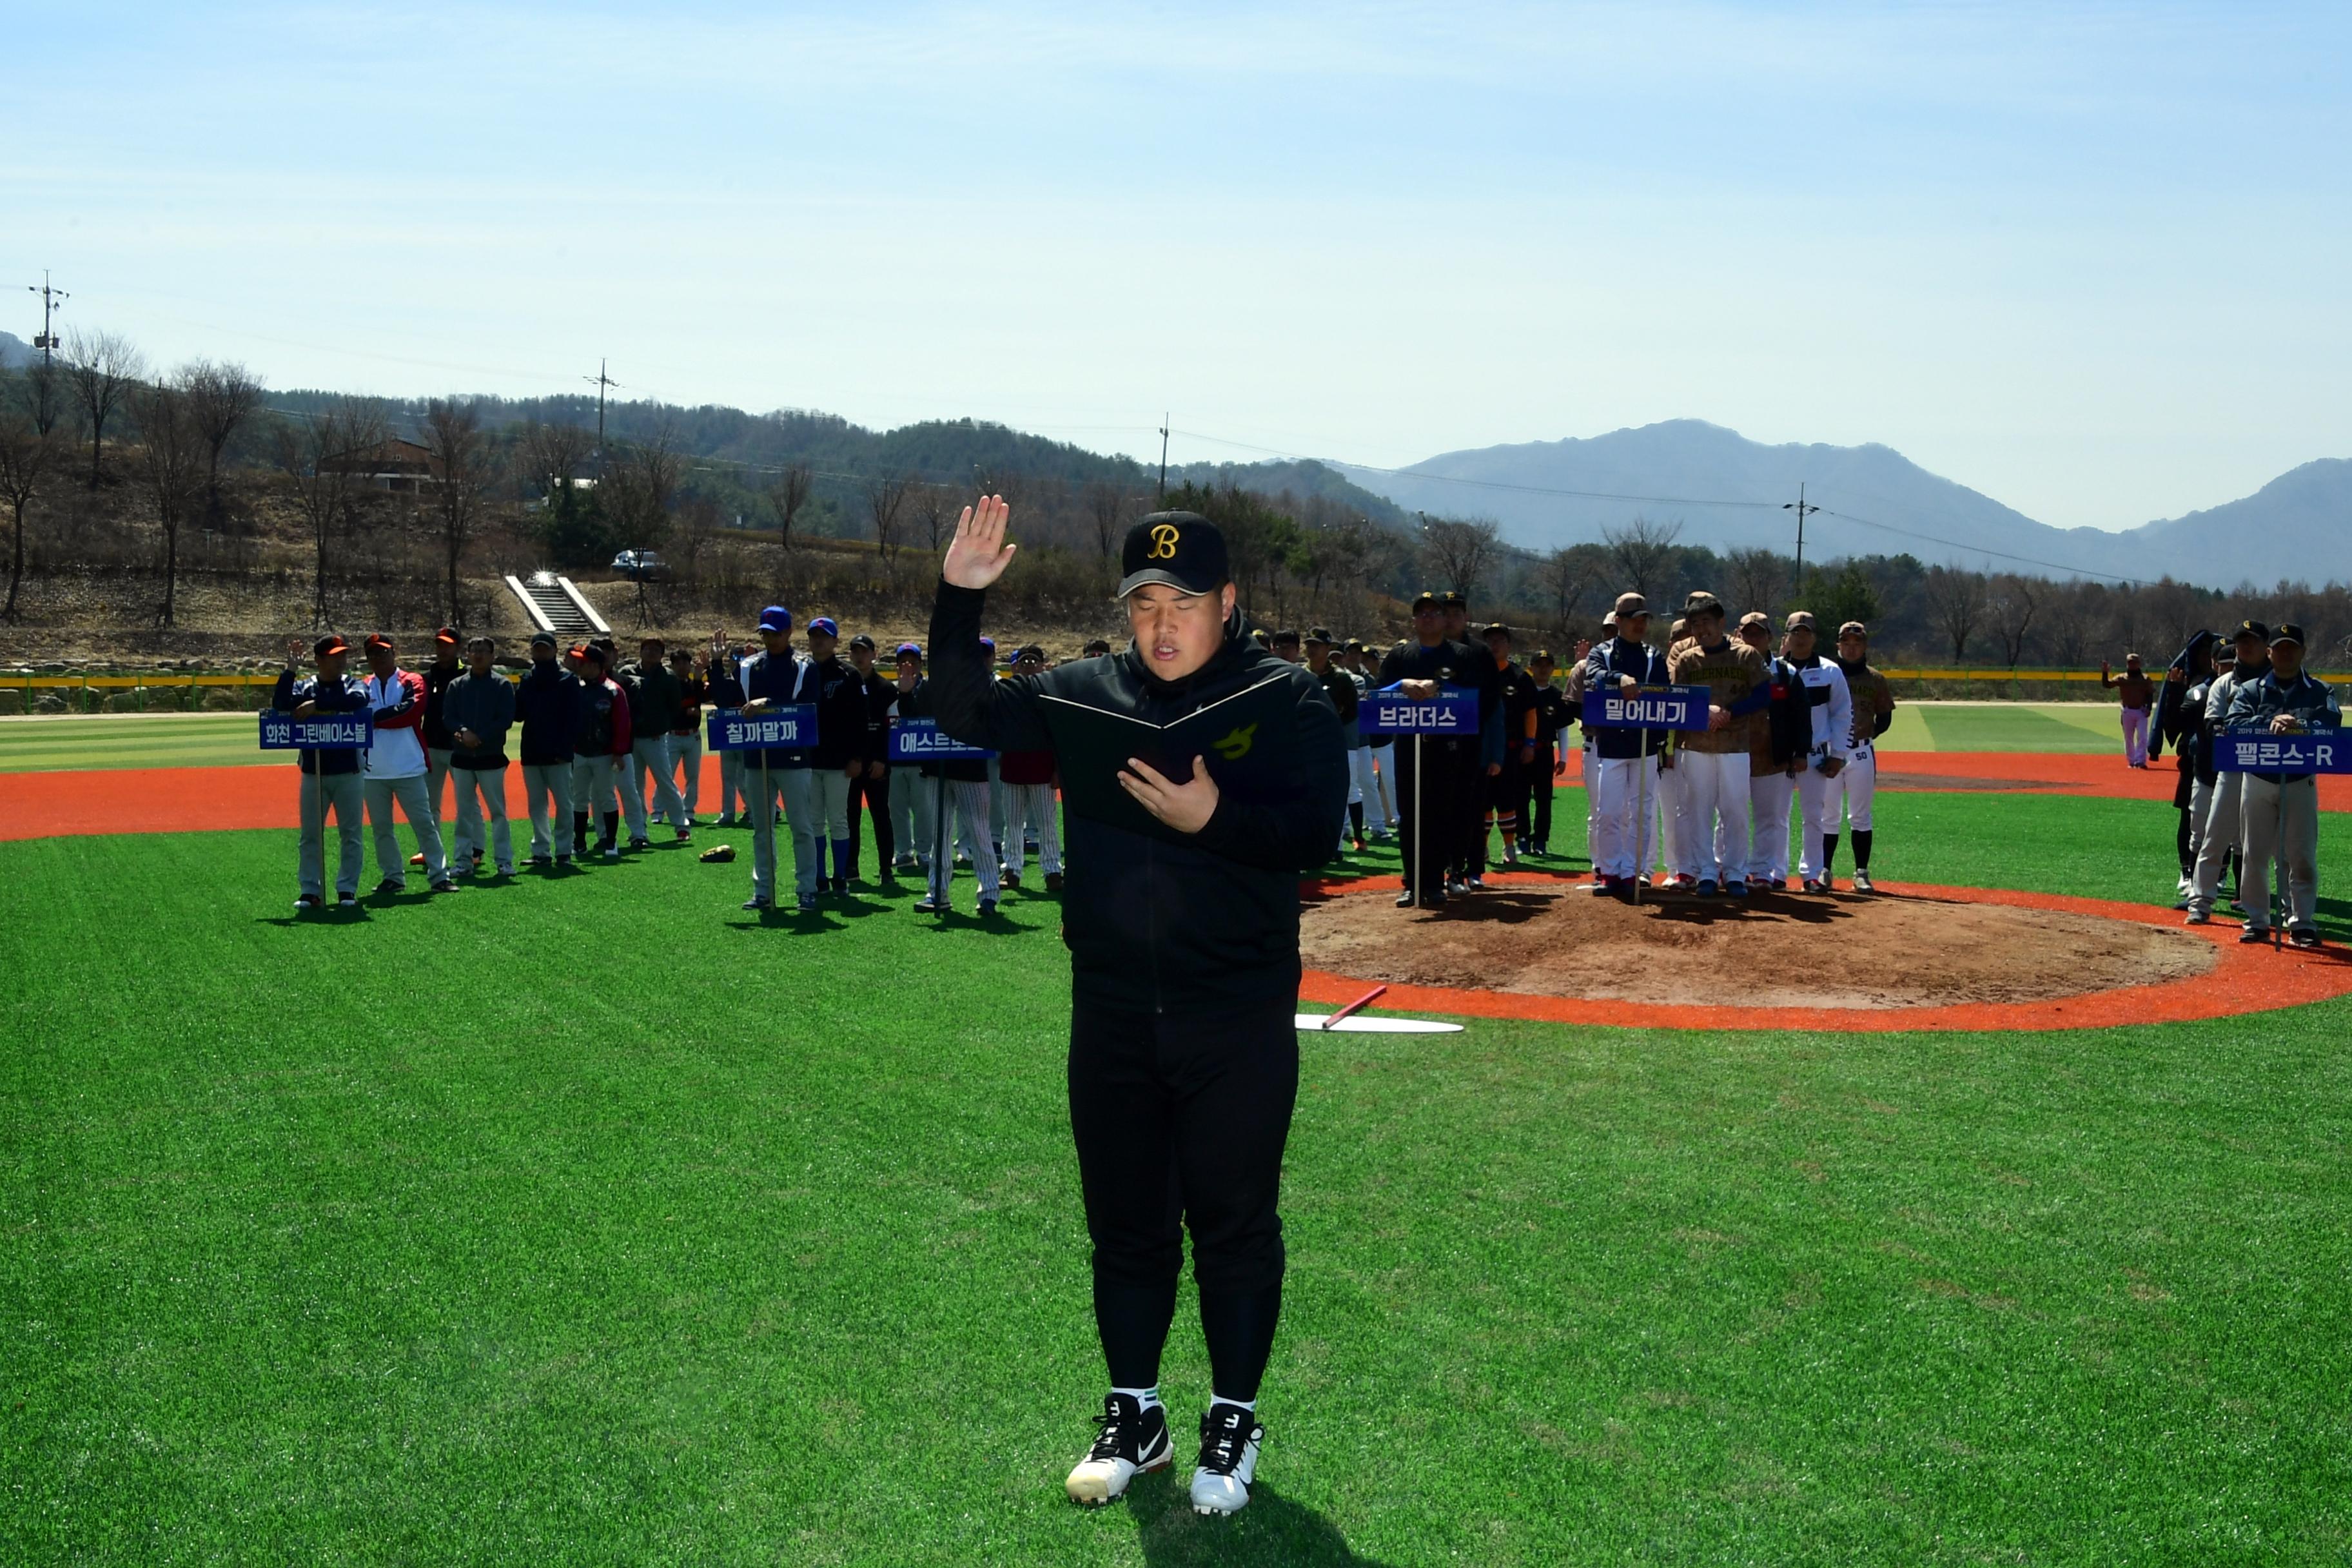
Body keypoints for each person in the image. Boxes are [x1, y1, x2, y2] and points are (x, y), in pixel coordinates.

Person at [930, 499, 1344, 1518]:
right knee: (1125, 1228)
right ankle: (1136, 1413)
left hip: (1236, 1013)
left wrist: (1218, 818)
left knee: (1235, 1224)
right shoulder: (1085, 694)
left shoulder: (1285, 698)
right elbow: (965, 712)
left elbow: (1317, 833)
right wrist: (960, 597)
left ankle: (1233, 1416)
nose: (1163, 624)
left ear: (1229, 602)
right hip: (1112, 1010)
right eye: (1145, 602)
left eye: (1186, 603)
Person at [2225, 623, 2340, 948]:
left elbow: (2332, 723)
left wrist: (2299, 725)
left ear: (2303, 652)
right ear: (2270, 652)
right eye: (2280, 647)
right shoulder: (2251, 690)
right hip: (2258, 780)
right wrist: (2268, 722)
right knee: (2254, 854)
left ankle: (2302, 923)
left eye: (2293, 647)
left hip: (2301, 780)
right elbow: (2232, 723)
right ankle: (2257, 921)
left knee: (2301, 855)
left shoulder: (2320, 691)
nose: (2286, 653)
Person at [1664, 593, 1768, 895]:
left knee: (1735, 809)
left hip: (1735, 745)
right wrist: (1704, 711)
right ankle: (1706, 871)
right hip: (1696, 746)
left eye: (1707, 622)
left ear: (1722, 622)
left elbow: (1763, 694)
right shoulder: (1687, 659)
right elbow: (1676, 698)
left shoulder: (1746, 655)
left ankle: (1735, 872)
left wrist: (1730, 712)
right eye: (1695, 624)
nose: (1702, 629)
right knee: (1698, 810)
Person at [1378, 591, 1478, 908]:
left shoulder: (1461, 655)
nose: (1428, 618)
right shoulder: (1399, 656)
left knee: (1440, 813)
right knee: (1410, 815)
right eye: (1422, 614)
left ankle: (1435, 882)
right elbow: (1380, 692)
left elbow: (1475, 694)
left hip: (1446, 747)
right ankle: (1412, 883)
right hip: (1408, 744)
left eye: (1434, 613)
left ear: (1443, 618)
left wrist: (1441, 687)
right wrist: (1402, 685)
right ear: (1414, 620)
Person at [1579, 594, 1672, 896]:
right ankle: (1610, 872)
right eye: (1633, 618)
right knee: (1608, 812)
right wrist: (1618, 678)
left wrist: (1661, 743)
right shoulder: (1602, 653)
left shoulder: (1652, 655)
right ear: (1618, 621)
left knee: (1642, 814)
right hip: (1611, 746)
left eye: (1644, 618)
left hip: (1644, 746)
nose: (1640, 624)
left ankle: (1633, 872)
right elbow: (1592, 676)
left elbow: (1665, 693)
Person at [896, 644, 999, 915]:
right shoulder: (930, 687)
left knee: (979, 833)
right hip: (935, 769)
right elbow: (912, 719)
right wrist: (905, 693)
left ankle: (989, 893)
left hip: (971, 771)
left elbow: (989, 722)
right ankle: (937, 893)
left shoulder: (979, 685)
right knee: (938, 835)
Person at [738, 605, 823, 913]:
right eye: (765, 633)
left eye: (775, 633)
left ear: (788, 633)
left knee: (801, 826)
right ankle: (763, 889)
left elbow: (810, 704)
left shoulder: (804, 666)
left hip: (795, 757)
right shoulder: (749, 666)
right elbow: (727, 703)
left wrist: (768, 703)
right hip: (756, 757)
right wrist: (718, 665)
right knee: (762, 828)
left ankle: (807, 889)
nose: (769, 639)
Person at [275, 632, 369, 910]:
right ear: (318, 660)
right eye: (334, 655)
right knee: (311, 835)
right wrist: (290, 670)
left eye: (343, 655)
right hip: (313, 772)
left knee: (351, 833)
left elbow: (359, 700)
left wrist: (318, 706)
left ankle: (347, 889)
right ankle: (310, 890)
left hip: (349, 771)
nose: (341, 660)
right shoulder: (306, 687)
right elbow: (280, 703)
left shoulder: (352, 683)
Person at [355, 633, 453, 894]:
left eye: (383, 652)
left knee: (424, 824)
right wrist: (379, 717)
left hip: (408, 766)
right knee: (382, 829)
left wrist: (373, 718)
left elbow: (411, 712)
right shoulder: (363, 685)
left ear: (393, 653)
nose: (378, 658)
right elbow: (356, 716)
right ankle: (393, 877)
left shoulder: (411, 680)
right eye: (373, 654)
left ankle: (439, 875)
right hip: (373, 770)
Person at [2186, 621, 2270, 925]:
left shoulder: (2278, 681)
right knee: (2215, 837)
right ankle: (2200, 902)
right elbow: (2213, 726)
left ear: (2265, 645)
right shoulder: (2223, 684)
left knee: (2258, 846)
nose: (2244, 647)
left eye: (2252, 641)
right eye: (2240, 641)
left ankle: (2259, 907)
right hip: (2233, 769)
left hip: (2268, 773)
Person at [1780, 612, 1855, 892]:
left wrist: (1838, 754)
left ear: (1815, 636)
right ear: (1786, 636)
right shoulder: (1775, 670)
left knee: (1814, 817)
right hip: (1780, 754)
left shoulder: (1829, 671)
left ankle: (1811, 873)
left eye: (1806, 632)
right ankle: (1775, 872)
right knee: (1777, 815)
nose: (1801, 637)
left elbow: (1843, 714)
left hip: (1815, 754)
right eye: (1795, 632)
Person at [1739, 611, 1811, 890]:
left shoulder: (1785, 672)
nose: (1753, 639)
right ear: (1739, 635)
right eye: (1748, 633)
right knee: (1731, 816)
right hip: (1735, 753)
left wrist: (1801, 752)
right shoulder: (1730, 668)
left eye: (1759, 634)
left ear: (1769, 638)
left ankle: (1761, 871)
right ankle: (1728, 868)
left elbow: (1801, 716)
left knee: (1769, 818)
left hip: (1773, 756)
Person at [1823, 621, 1896, 891]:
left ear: (1864, 646)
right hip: (1830, 751)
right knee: (1828, 814)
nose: (1851, 649)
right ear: (1838, 645)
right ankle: (1824, 870)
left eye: (1857, 644)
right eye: (1846, 644)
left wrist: (1864, 739)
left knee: (1861, 815)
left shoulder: (1875, 678)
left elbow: (1885, 718)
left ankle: (1861, 873)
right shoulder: (1827, 673)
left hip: (1861, 751)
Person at [803, 616, 872, 892]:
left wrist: (858, 757)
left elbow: (861, 720)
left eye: (824, 636)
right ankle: (819, 876)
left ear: (834, 641)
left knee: (838, 818)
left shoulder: (848, 674)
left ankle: (840, 875)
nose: (818, 640)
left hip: (839, 762)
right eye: (814, 635)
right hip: (807, 760)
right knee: (814, 821)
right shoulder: (801, 670)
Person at [440, 636, 517, 877]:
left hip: (490, 755)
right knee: (463, 813)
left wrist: (479, 737)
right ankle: (463, 861)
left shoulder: (502, 685)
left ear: (493, 655)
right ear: (468, 655)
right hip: (462, 756)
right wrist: (464, 733)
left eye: (483, 651)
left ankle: (504, 861)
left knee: (498, 812)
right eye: (474, 651)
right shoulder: (457, 685)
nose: (479, 655)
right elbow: (448, 717)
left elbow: (505, 719)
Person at [996, 645, 1066, 891]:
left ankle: (1052, 871)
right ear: (1015, 667)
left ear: (1042, 666)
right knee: (1013, 823)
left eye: (1033, 662)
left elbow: (1059, 735)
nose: (1028, 666)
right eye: (1024, 662)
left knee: (1047, 823)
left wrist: (1058, 769)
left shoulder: (1050, 693)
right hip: (1012, 768)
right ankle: (1012, 870)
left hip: (1042, 769)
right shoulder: (1005, 692)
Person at [1475, 624, 1540, 873]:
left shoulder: (1520, 677)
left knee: (1507, 800)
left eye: (1500, 640)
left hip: (1512, 749)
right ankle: (1482, 847)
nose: (1494, 644)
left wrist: (1530, 743)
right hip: (1482, 749)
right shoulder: (1478, 674)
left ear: (1508, 645)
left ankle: (1509, 846)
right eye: (1490, 640)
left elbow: (1531, 713)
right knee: (1482, 801)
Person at [514, 630, 578, 867]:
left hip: (558, 753)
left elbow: (574, 720)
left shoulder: (567, 679)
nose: (541, 652)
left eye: (545, 648)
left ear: (554, 651)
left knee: (564, 804)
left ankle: (564, 851)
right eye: (537, 648)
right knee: (536, 805)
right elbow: (519, 715)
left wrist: (565, 751)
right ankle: (541, 851)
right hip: (531, 750)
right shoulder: (527, 679)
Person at [621, 635, 692, 847]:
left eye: (656, 650)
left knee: (665, 782)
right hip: (632, 739)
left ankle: (681, 825)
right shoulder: (627, 673)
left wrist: (661, 726)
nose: (651, 652)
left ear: (662, 656)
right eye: (648, 648)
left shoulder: (668, 677)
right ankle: (639, 829)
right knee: (634, 786)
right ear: (641, 651)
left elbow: (674, 707)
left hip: (655, 738)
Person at [567, 643, 633, 861]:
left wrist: (618, 753)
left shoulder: (613, 690)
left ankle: (610, 841)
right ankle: (579, 843)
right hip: (579, 752)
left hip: (605, 754)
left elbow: (622, 725)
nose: (578, 665)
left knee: (607, 797)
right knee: (579, 799)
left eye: (582, 662)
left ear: (595, 665)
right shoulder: (575, 687)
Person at [1304, 629, 1366, 852]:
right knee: (1308, 792)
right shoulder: (1299, 674)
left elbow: (1351, 711)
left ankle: (1340, 842)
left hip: (1337, 744)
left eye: (1317, 645)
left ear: (1328, 649)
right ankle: (1310, 844)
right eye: (1309, 644)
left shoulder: (1341, 679)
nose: (1312, 649)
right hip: (1307, 744)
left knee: (1343, 791)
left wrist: (1333, 722)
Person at [845, 632, 899, 881]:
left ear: (874, 655)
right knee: (849, 817)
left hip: (877, 764)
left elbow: (892, 728)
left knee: (881, 816)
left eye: (864, 651)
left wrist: (883, 761)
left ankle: (886, 868)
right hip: (852, 764)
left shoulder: (887, 689)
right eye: (855, 651)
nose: (859, 656)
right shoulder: (846, 684)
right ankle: (851, 868)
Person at [885, 644, 936, 878]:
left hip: (921, 761)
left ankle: (925, 851)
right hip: (895, 761)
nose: (908, 667)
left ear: (921, 665)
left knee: (923, 810)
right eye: (903, 663)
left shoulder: (928, 690)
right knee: (897, 810)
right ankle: (903, 850)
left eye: (913, 662)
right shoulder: (889, 691)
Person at [1525, 649, 1573, 858]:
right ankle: (1522, 838)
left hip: (1545, 752)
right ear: (1531, 667)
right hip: (1524, 752)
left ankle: (1541, 840)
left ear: (1553, 669)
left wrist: (1563, 758)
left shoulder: (1556, 696)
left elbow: (1562, 729)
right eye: (1539, 664)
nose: (1543, 669)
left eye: (1547, 665)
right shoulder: (1524, 692)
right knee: (1521, 797)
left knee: (1544, 800)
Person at [420, 625, 463, 833]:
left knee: (466, 802)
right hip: (432, 747)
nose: (443, 650)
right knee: (430, 802)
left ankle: (473, 849)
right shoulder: (427, 678)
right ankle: (431, 848)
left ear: (458, 647)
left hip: (459, 747)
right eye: (439, 645)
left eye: (448, 645)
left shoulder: (466, 676)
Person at [705, 632, 750, 827]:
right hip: (728, 733)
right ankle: (728, 813)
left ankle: (760, 810)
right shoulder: (726, 681)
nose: (739, 662)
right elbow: (716, 687)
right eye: (736, 658)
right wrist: (716, 661)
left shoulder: (753, 679)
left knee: (746, 777)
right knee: (728, 776)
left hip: (750, 735)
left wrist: (747, 665)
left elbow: (744, 685)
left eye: (743, 658)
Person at [667, 646, 705, 826]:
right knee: (666, 775)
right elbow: (668, 710)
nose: (682, 666)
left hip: (693, 736)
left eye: (685, 663)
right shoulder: (668, 684)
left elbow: (703, 698)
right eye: (678, 663)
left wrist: (699, 679)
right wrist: (685, 713)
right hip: (673, 735)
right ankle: (659, 811)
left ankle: (689, 811)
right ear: (672, 666)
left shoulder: (694, 684)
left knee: (693, 776)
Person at [2103, 652, 2157, 768]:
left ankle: (2141, 761)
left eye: (2134, 663)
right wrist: (2105, 672)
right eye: (2130, 663)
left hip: (2141, 711)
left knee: (2143, 736)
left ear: (2139, 664)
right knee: (2129, 738)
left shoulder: (2145, 679)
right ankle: (2132, 761)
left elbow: (2150, 694)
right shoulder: (2122, 678)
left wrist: (2149, 707)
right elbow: (2107, 685)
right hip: (2127, 710)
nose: (2132, 665)